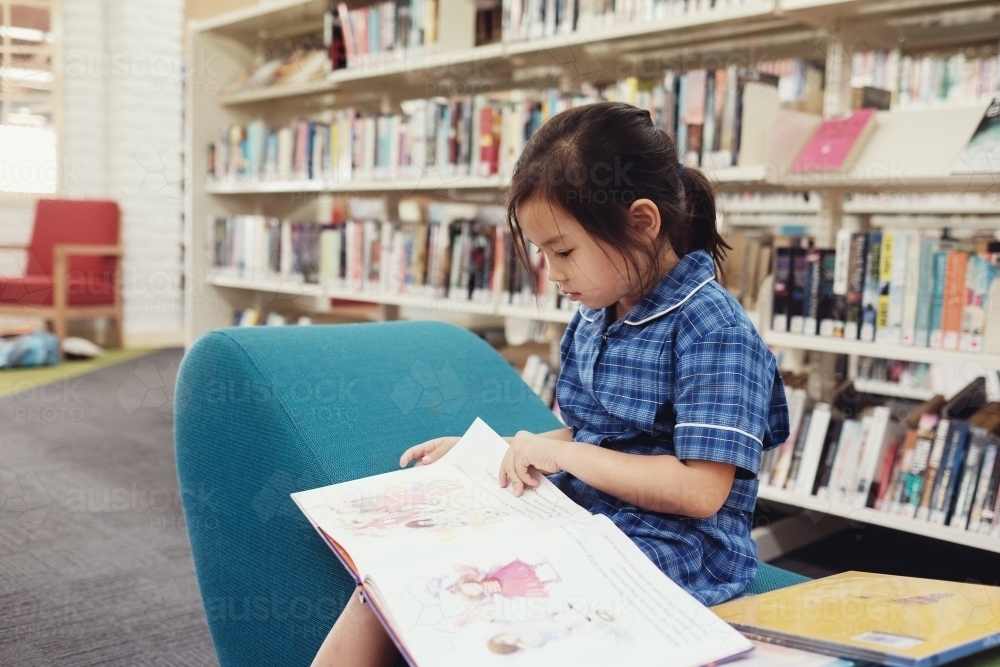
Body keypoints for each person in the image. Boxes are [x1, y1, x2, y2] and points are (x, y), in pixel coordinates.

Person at [310, 101, 789, 667]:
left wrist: (567, 457)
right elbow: (593, 436)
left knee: (489, 605)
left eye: (563, 251)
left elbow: (701, 491)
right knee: (391, 584)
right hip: (594, 514)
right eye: (543, 253)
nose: (553, 272)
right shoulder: (597, 310)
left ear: (641, 223)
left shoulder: (712, 328)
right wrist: (497, 454)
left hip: (679, 545)